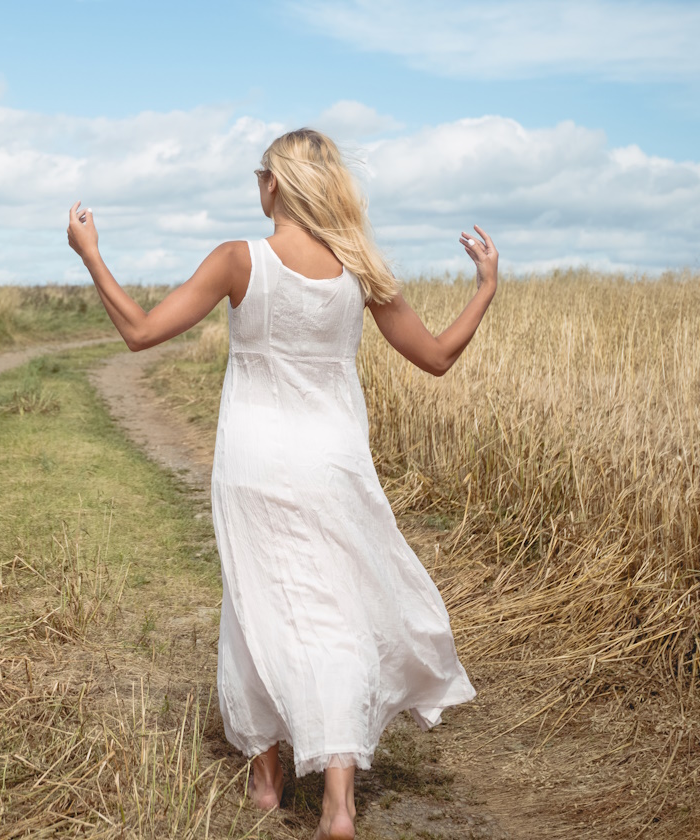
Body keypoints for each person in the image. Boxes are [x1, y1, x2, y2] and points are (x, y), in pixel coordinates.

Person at [66, 127, 495, 840]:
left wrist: (91, 255)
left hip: (254, 461)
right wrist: (485, 288)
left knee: (255, 599)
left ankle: (267, 784)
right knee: (337, 613)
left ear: (274, 184)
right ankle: (338, 802)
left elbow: (140, 333)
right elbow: (440, 357)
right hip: (333, 461)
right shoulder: (361, 269)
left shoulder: (240, 260)